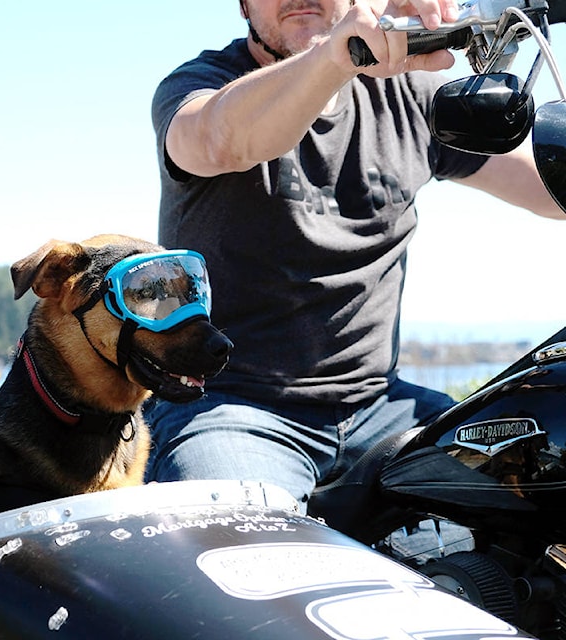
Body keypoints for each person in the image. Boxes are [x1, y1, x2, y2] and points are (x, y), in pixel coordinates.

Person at [143, 0, 565, 511]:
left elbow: (547, 178)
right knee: (245, 546)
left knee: (539, 481)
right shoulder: (200, 85)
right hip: (230, 406)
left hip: (382, 408)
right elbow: (221, 139)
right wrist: (335, 57)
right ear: (243, 6)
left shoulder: (410, 94)